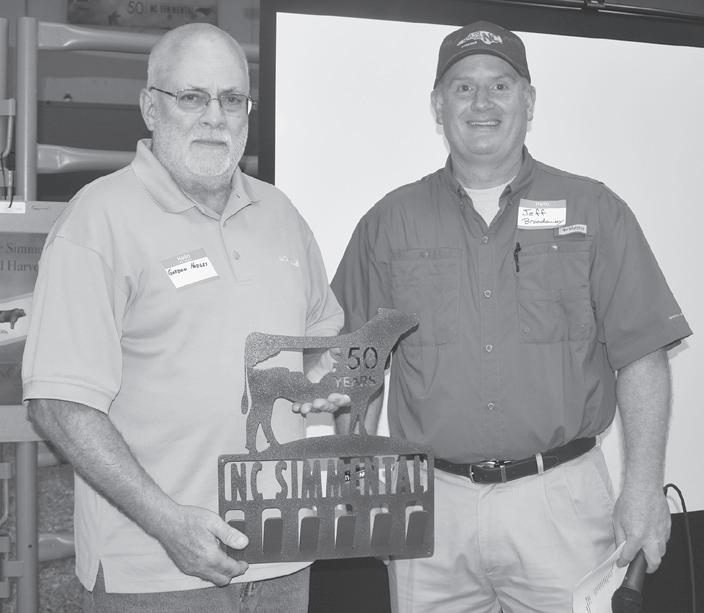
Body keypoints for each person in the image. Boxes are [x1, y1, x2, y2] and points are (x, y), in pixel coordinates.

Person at [302, 21, 692, 613]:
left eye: (500, 86)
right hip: (430, 507)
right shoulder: (390, 222)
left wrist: (643, 488)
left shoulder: (595, 210)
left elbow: (642, 353)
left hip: (561, 503)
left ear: (528, 101)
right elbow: (358, 367)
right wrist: (360, 484)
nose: (481, 103)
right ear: (438, 106)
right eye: (463, 87)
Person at [23, 23, 347, 613]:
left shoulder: (280, 214)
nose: (214, 117)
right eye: (192, 97)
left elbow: (321, 336)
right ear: (151, 106)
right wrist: (167, 522)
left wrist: (323, 378)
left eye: (232, 99)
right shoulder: (97, 222)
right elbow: (59, 404)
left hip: (285, 556)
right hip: (157, 572)